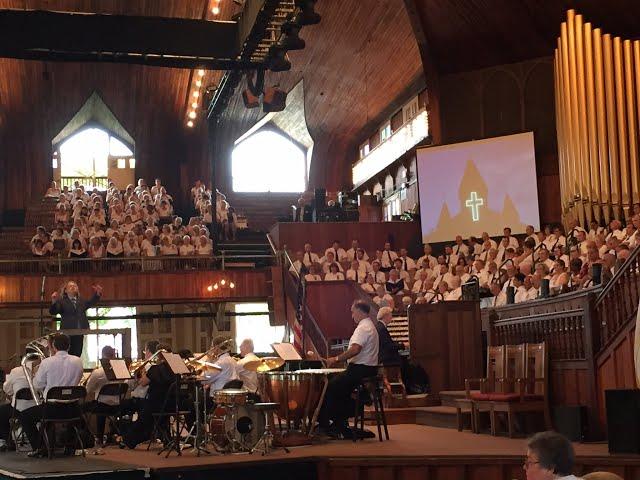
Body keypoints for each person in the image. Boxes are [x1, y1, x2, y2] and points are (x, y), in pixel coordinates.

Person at [319, 301, 379, 437]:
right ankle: (339, 421)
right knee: (334, 383)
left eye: (353, 312)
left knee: (329, 386)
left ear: (360, 311)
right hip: (367, 370)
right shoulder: (370, 326)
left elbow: (355, 349)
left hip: (360, 369)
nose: (352, 316)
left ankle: (336, 423)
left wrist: (335, 359)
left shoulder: (363, 327)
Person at [19, 334, 84, 457]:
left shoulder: (47, 362)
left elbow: (37, 385)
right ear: (69, 346)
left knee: (24, 416)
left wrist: (37, 374)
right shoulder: (78, 361)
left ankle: (41, 448)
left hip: (52, 410)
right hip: (74, 410)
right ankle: (69, 447)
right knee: (56, 410)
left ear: (53, 346)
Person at [50, 281, 103, 357]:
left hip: (79, 332)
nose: (73, 287)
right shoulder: (62, 301)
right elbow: (54, 311)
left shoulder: (81, 301)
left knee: (77, 354)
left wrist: (97, 294)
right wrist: (54, 301)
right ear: (65, 290)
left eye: (75, 286)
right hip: (67, 332)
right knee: (68, 354)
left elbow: (90, 303)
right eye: (70, 286)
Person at [0, 351, 37, 450]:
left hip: (19, 408)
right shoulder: (40, 369)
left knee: (1, 412)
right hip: (37, 407)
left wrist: (13, 392)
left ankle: (8, 442)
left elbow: (7, 389)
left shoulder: (16, 371)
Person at [84, 346, 120, 447]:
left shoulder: (98, 372)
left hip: (101, 407)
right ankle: (113, 433)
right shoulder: (120, 371)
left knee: (82, 408)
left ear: (103, 356)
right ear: (113, 356)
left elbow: (87, 390)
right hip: (117, 406)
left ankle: (94, 437)